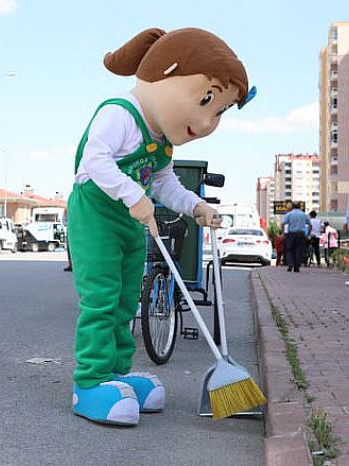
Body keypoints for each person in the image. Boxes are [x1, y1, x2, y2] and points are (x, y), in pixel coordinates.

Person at [67, 27, 249, 426]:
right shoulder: (118, 113)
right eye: (207, 100)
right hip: (97, 217)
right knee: (101, 298)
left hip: (133, 221)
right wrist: (133, 195)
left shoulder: (161, 140)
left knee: (127, 300)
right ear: (166, 74)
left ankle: (117, 372)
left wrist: (196, 205)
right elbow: (94, 161)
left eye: (217, 112)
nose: (206, 123)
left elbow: (165, 183)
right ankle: (90, 381)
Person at [281, 201, 311, 273]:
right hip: (301, 234)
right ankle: (297, 267)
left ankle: (290, 264)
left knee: (289, 250)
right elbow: (310, 225)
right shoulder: (304, 215)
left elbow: (283, 224)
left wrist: (283, 233)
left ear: (292, 207)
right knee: (299, 250)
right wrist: (308, 234)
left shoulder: (289, 214)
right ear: (300, 207)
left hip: (291, 234)